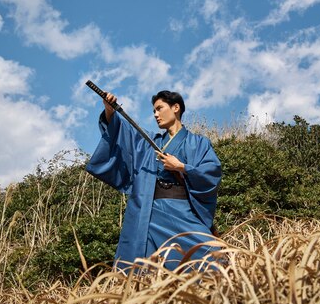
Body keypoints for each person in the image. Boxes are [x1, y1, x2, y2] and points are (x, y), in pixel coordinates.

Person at [86, 90, 222, 271]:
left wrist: (181, 167)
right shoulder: (148, 142)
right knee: (144, 268)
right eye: (153, 111)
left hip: (182, 210)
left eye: (159, 108)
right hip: (149, 212)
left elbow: (211, 172)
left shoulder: (199, 143)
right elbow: (123, 132)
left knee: (213, 256)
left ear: (176, 108)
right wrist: (110, 111)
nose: (156, 115)